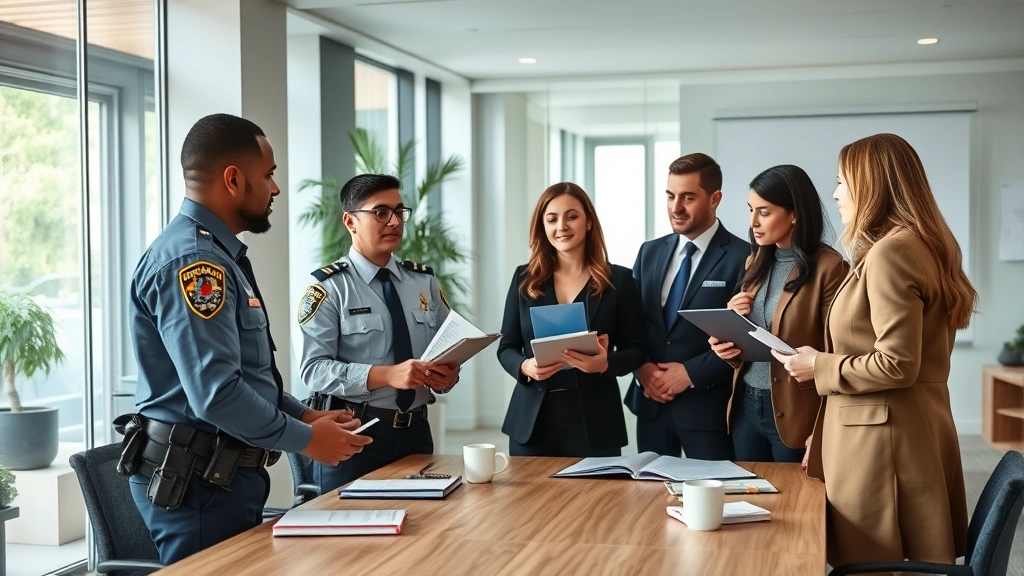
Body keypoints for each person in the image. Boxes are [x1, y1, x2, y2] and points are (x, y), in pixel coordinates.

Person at [125, 113, 371, 564]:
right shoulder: (196, 263)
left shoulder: (219, 254)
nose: (276, 188)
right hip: (197, 489)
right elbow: (216, 395)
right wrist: (305, 440)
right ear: (234, 179)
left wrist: (306, 416)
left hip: (220, 480)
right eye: (269, 175)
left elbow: (247, 376)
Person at [774, 133, 974, 566]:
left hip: (883, 442)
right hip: (906, 428)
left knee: (872, 565)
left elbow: (897, 363)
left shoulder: (890, 253)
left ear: (871, 185)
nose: (835, 193)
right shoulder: (921, 244)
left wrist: (818, 365)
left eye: (843, 181)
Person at [298, 173, 458, 493]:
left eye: (399, 212)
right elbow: (313, 370)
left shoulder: (423, 281)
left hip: (416, 433)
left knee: (423, 529)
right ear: (350, 221)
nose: (394, 222)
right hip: (356, 433)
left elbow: (448, 350)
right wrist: (386, 375)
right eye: (380, 212)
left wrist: (448, 375)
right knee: (354, 536)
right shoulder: (329, 288)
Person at [708, 165, 848, 464]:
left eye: (765, 212)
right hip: (746, 405)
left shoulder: (830, 268)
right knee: (751, 500)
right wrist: (730, 338)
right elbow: (755, 341)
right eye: (751, 210)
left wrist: (824, 428)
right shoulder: (755, 262)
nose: (753, 222)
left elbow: (837, 353)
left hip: (798, 410)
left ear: (794, 212)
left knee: (796, 506)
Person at [496, 182, 646, 457]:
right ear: (542, 226)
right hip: (532, 421)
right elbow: (506, 348)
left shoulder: (620, 281)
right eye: (552, 219)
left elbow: (637, 349)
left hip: (595, 421)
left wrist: (606, 363)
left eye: (571, 216)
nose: (561, 226)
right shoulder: (523, 278)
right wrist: (525, 366)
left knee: (597, 501)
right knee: (529, 501)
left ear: (588, 222)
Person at [624, 153, 749, 460]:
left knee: (712, 502)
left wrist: (690, 374)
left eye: (688, 197)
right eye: (670, 196)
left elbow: (747, 337)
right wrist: (643, 369)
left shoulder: (744, 256)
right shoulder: (649, 252)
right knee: (650, 500)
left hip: (708, 407)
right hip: (652, 402)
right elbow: (631, 323)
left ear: (714, 198)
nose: (675, 208)